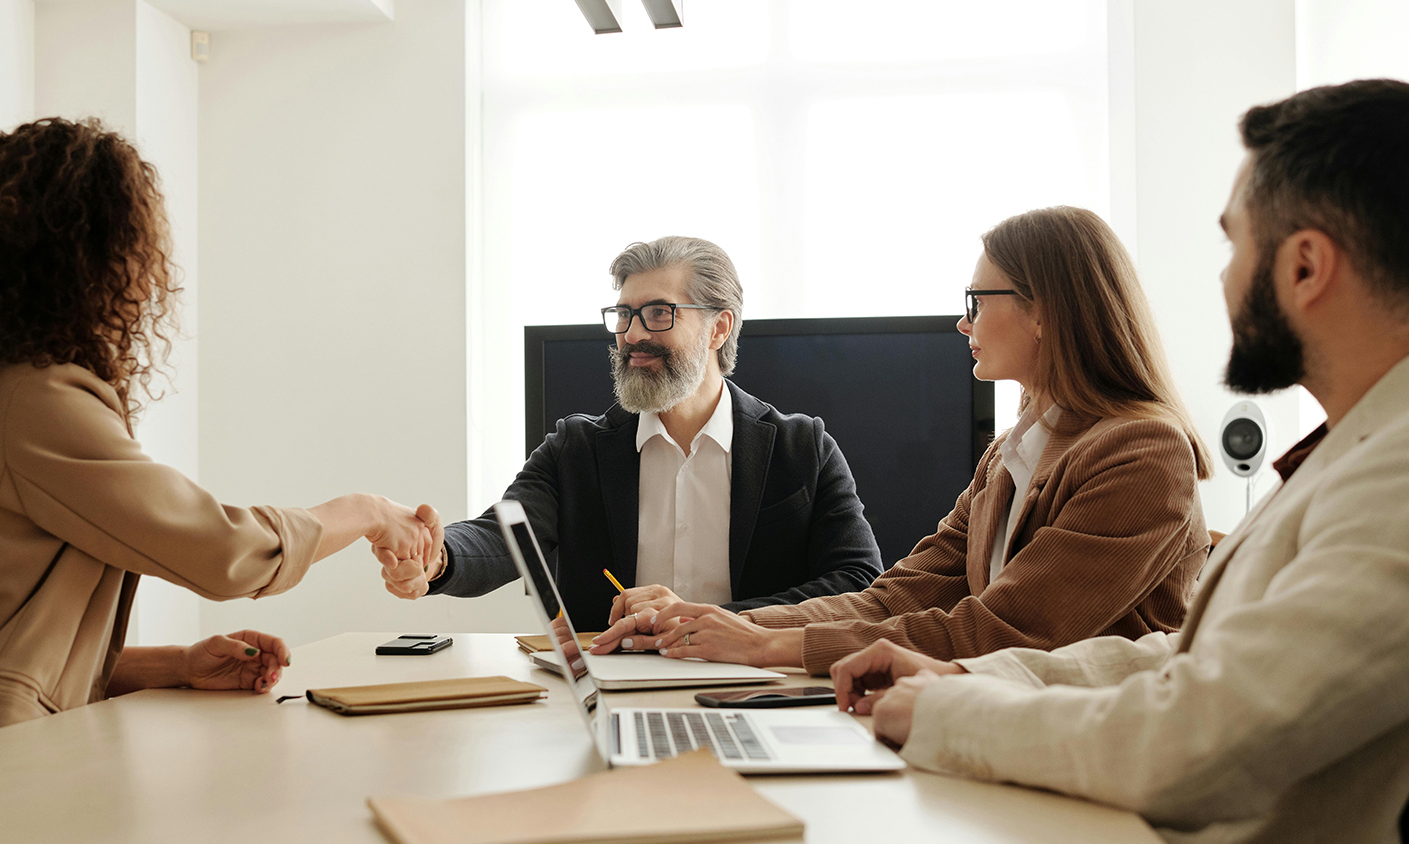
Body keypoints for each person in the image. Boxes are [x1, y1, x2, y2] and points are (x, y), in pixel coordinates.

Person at [830, 79, 1409, 844]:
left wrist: (950, 711)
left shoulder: (1394, 478)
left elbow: (1203, 735)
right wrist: (972, 679)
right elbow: (1182, 659)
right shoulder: (1355, 449)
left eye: (1234, 245)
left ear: (1305, 267)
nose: (1225, 277)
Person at [0, 118, 441, 751]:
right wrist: (369, 512)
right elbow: (221, 550)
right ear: (91, 253)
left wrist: (177, 665)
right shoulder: (35, 400)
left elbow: (3, 635)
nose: (145, 271)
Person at [594, 207, 1212, 673]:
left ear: (1045, 310)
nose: (963, 321)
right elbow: (894, 597)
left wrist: (772, 644)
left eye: (977, 299)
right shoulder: (1009, 455)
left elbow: (1006, 631)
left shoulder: (1143, 453)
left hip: (1085, 758)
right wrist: (721, 625)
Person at [382, 236, 883, 631]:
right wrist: (437, 556)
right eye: (623, 315)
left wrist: (710, 619)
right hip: (614, 685)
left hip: (755, 683)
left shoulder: (803, 449)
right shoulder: (575, 450)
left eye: (658, 313)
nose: (633, 334)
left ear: (718, 328)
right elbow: (503, 538)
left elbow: (858, 583)